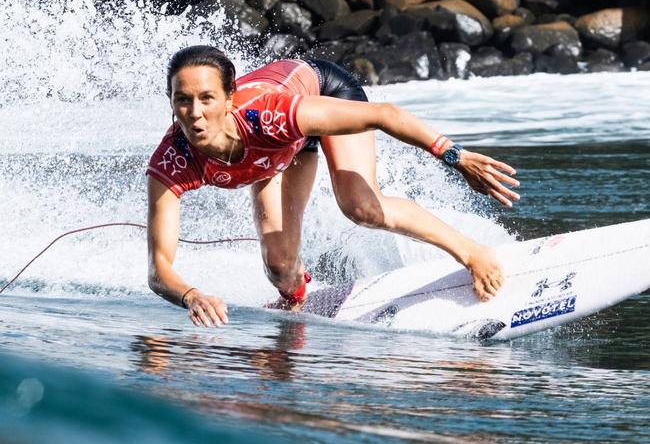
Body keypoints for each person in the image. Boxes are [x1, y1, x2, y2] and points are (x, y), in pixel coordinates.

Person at [147, 45, 520, 327]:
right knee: (279, 268)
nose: (195, 113)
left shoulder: (267, 116)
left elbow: (384, 115)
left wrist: (456, 156)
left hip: (320, 93)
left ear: (228, 99)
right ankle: (299, 300)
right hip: (272, 154)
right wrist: (191, 297)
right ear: (171, 102)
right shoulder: (172, 161)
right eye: (183, 100)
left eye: (207, 98)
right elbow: (158, 268)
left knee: (361, 207)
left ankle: (473, 252)